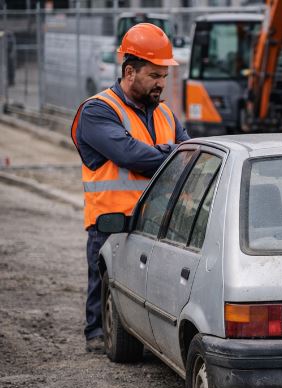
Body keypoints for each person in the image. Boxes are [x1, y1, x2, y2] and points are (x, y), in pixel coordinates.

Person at [71, 23, 190, 353]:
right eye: (154, 75)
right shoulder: (98, 111)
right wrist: (171, 155)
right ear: (129, 72)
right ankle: (96, 331)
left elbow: (189, 154)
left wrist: (166, 155)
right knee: (105, 282)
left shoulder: (164, 111)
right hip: (113, 223)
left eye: (164, 76)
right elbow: (130, 155)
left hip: (158, 225)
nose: (161, 83)